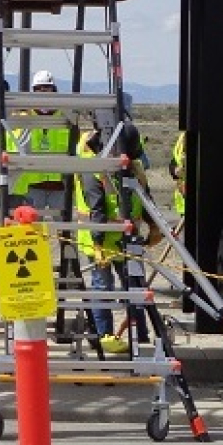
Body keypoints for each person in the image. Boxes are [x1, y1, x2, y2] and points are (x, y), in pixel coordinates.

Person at [74, 121, 152, 354]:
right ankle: (104, 334)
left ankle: (140, 333)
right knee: (102, 288)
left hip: (128, 240)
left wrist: (153, 228)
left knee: (135, 285)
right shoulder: (94, 169)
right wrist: (98, 244)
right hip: (102, 242)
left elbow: (144, 197)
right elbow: (96, 209)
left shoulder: (132, 166)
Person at [3, 69, 73, 217]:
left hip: (59, 186)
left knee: (62, 231)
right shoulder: (24, 118)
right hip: (33, 186)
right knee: (33, 230)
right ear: (33, 92)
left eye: (47, 88)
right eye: (39, 89)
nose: (44, 92)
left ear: (54, 91)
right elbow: (6, 142)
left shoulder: (66, 118)